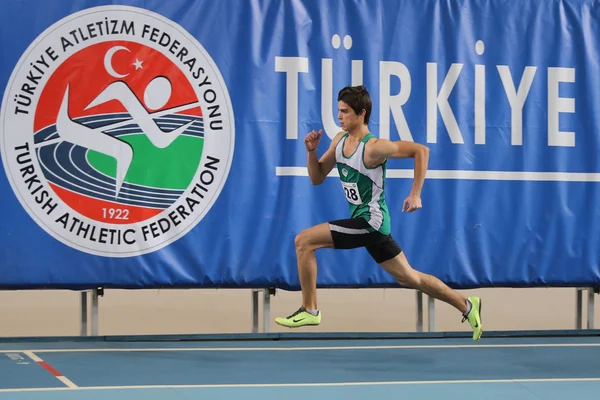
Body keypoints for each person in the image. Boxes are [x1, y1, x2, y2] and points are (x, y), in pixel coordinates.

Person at [274, 85, 483, 341]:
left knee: (303, 240)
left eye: (345, 111)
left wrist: (415, 193)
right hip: (369, 226)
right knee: (410, 277)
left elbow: (421, 151)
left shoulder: (373, 148)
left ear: (361, 114)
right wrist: (311, 151)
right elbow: (317, 177)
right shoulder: (339, 141)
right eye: (338, 111)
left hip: (371, 222)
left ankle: (310, 309)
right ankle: (467, 304)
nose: (339, 116)